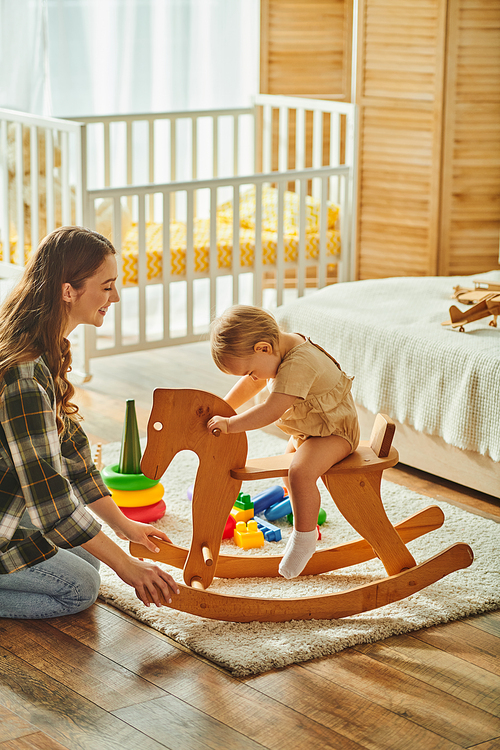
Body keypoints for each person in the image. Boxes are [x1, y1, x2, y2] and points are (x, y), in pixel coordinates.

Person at [0, 226, 179, 619]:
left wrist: (124, 526)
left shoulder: (47, 348)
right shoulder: (25, 378)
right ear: (69, 290)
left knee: (91, 562)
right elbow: (51, 499)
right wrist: (128, 566)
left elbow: (73, 458)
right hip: (11, 516)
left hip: (13, 508)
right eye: (107, 285)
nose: (115, 297)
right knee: (79, 588)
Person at [207, 304, 360, 579]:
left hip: (334, 432)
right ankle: (304, 515)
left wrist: (230, 424)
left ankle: (305, 540)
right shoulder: (279, 348)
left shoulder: (299, 362)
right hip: (311, 429)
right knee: (289, 475)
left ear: (263, 348)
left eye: (250, 370)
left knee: (300, 472)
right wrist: (224, 407)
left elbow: (271, 409)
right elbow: (253, 385)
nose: (252, 377)